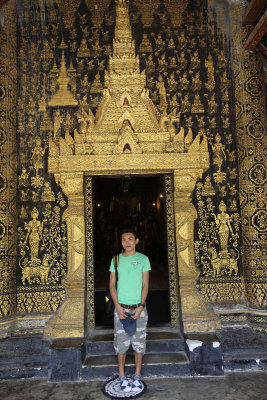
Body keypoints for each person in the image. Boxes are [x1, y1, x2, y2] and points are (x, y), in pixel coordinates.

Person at [109, 228, 151, 393]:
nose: (127, 242)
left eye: (130, 239)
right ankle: (121, 374)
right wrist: (118, 307)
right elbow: (112, 285)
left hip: (138, 309)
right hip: (121, 308)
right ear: (121, 242)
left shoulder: (143, 259)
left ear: (137, 241)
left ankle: (137, 373)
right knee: (121, 344)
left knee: (139, 343)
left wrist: (141, 306)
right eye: (124, 240)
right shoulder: (116, 260)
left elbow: (146, 284)